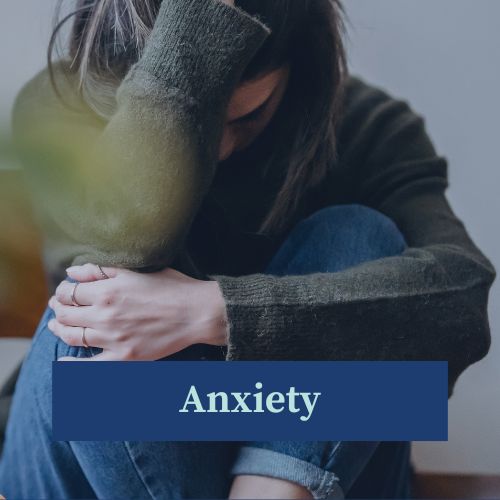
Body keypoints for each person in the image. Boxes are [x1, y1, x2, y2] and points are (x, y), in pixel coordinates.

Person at [0, 0, 495, 498]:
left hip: (303, 466)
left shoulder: (362, 125)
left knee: (359, 234)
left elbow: (461, 301)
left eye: (249, 116)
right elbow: (123, 251)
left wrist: (217, 312)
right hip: (98, 462)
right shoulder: (63, 104)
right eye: (206, 124)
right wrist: (189, 58)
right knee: (93, 321)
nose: (220, 148)